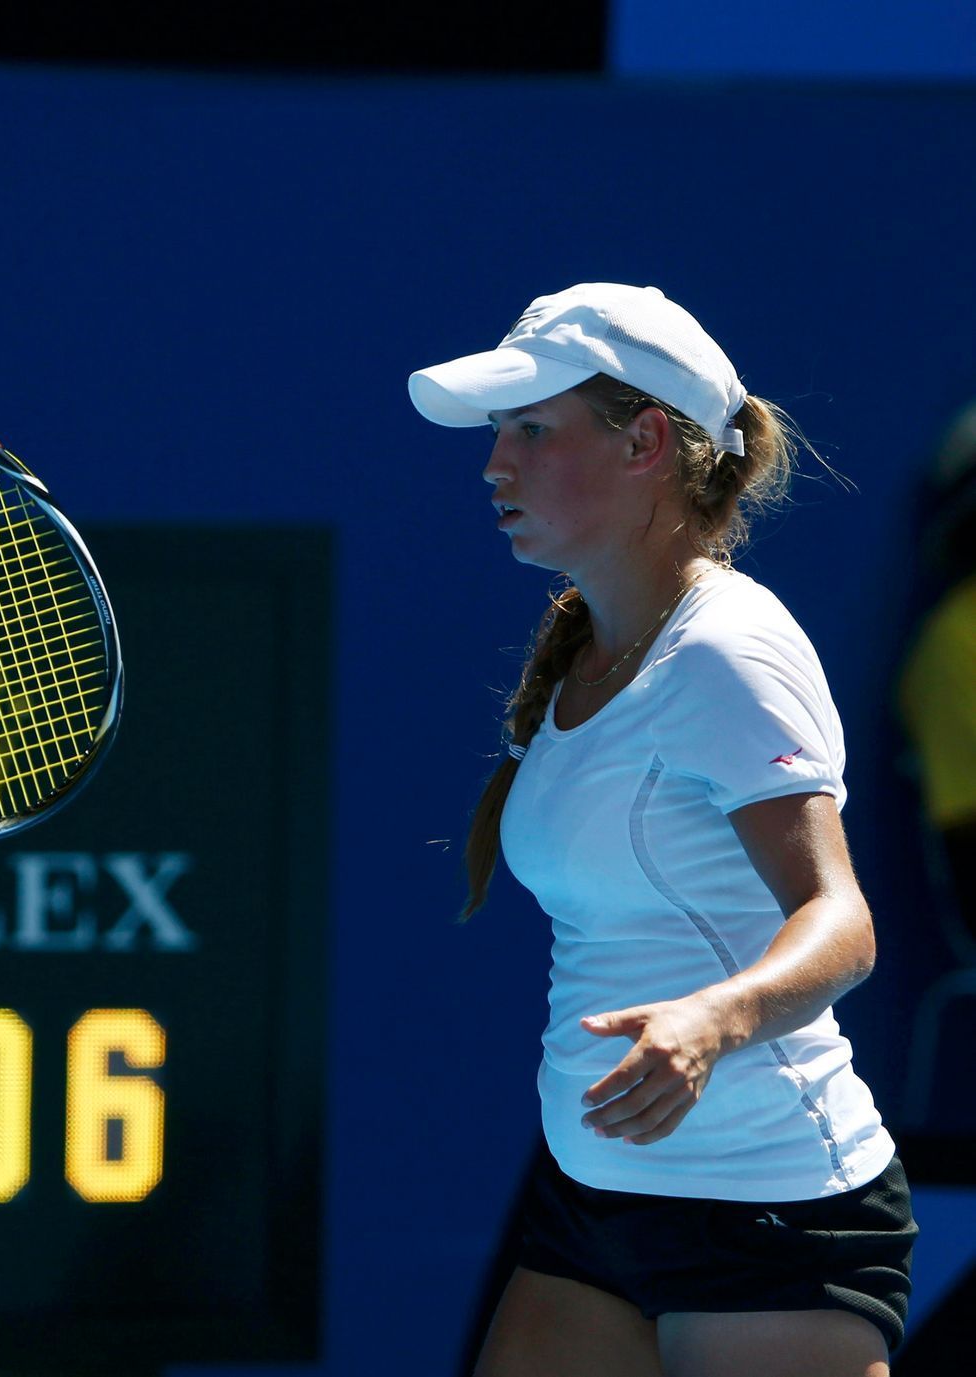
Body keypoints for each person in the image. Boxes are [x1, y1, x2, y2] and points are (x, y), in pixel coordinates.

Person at [407, 283, 916, 1377]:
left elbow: (841, 921)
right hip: (590, 1202)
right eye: (499, 433)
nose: (496, 465)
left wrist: (714, 1023)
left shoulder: (728, 652)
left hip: (767, 1216)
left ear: (644, 442)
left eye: (533, 431)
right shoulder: (585, 653)